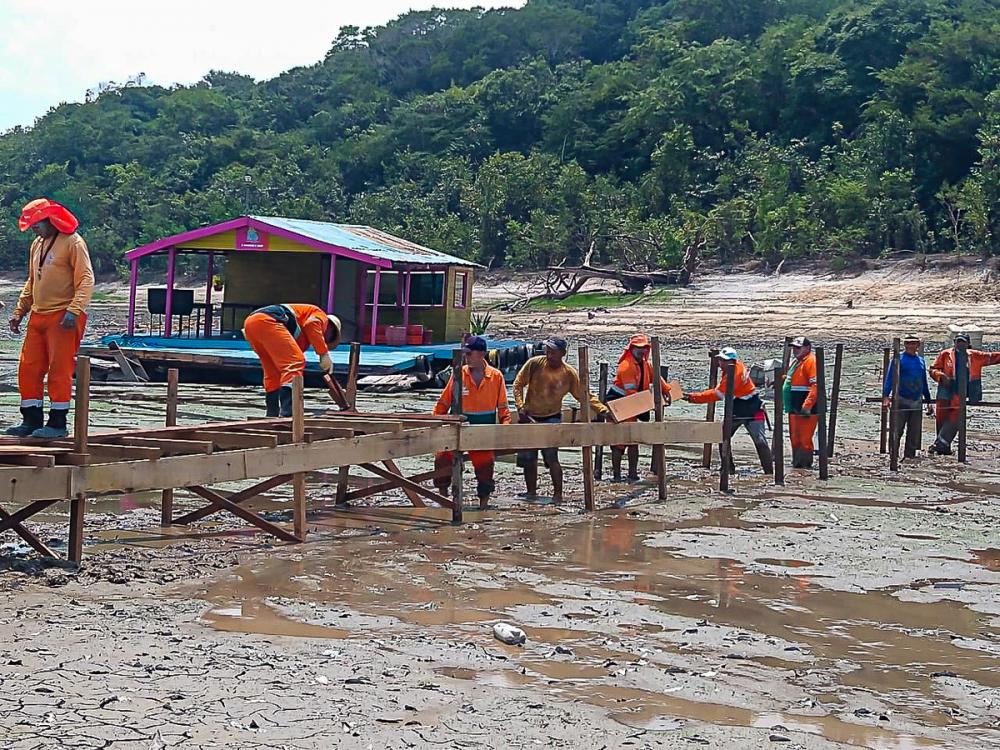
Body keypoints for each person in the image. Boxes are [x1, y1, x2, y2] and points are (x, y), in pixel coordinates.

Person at [6, 199, 94, 439]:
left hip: (63, 315)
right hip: (38, 314)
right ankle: (31, 419)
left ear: (51, 220)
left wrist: (74, 310)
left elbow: (86, 279)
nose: (34, 228)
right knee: (28, 367)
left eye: (37, 223)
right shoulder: (37, 244)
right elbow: (32, 280)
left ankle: (57, 422)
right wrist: (19, 312)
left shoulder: (73, 242)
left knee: (59, 369)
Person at [512, 337, 608, 502]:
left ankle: (558, 494)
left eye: (553, 352)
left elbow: (583, 395)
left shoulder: (568, 373)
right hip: (530, 416)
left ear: (563, 353)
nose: (549, 355)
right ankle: (531, 492)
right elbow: (518, 384)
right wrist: (520, 407)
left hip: (552, 417)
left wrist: (602, 410)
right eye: (548, 351)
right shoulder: (535, 364)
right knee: (529, 458)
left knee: (551, 457)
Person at [432, 335, 512, 509]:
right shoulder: (459, 374)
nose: (466, 357)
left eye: (470, 353)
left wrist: (505, 428)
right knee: (441, 459)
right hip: (458, 428)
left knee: (485, 466)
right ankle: (443, 499)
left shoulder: (496, 376)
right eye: (465, 354)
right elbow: (444, 402)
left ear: (481, 354)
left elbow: (503, 407)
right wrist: (436, 421)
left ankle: (483, 504)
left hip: (482, 430)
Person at [683, 347, 773, 474]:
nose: (721, 363)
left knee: (756, 441)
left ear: (731, 361)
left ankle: (736, 470)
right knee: (725, 437)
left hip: (750, 410)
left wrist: (693, 397)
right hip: (745, 407)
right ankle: (730, 469)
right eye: (720, 360)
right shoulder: (736, 365)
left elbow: (717, 395)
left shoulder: (734, 375)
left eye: (723, 360)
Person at [242, 304, 341, 417]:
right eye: (330, 336)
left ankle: (272, 413)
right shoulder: (320, 315)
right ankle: (288, 412)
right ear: (330, 328)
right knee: (295, 362)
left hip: (252, 323)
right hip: (269, 320)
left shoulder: (301, 338)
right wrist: (323, 353)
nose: (326, 339)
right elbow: (312, 324)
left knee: (273, 371)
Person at [605, 333, 671, 482]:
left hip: (635, 403)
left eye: (644, 348)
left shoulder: (645, 364)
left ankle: (633, 475)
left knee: (633, 441)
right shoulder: (626, 366)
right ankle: (616, 476)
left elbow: (656, 377)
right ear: (632, 348)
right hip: (620, 404)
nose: (642, 350)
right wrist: (649, 403)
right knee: (618, 443)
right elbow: (631, 393)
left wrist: (666, 390)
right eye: (638, 348)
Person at [928, 333, 1000, 455]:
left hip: (961, 394)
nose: (960, 344)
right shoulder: (945, 354)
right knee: (941, 419)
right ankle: (944, 448)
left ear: (968, 344)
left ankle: (939, 445)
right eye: (958, 341)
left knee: (955, 418)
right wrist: (941, 376)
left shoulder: (975, 356)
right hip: (945, 391)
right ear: (954, 343)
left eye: (963, 342)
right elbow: (932, 369)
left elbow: (993, 357)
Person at [882, 335, 933, 459]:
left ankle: (910, 457)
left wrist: (928, 400)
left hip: (916, 401)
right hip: (901, 399)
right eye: (908, 343)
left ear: (917, 345)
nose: (910, 346)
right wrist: (886, 396)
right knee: (896, 430)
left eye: (913, 343)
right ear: (905, 345)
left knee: (914, 432)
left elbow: (923, 381)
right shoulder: (898, 359)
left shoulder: (921, 360)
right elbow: (890, 378)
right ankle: (893, 456)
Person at [783, 336, 818, 469]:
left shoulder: (811, 361)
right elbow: (791, 379)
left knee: (804, 439)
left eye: (798, 348)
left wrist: (807, 405)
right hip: (794, 405)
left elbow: (816, 385)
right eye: (794, 348)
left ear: (807, 348)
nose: (795, 350)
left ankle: (805, 466)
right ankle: (797, 466)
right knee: (795, 438)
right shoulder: (796, 362)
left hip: (806, 407)